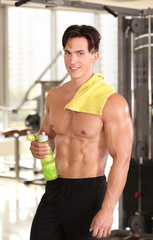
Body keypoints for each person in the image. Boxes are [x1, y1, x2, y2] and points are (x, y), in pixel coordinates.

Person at [29, 24, 133, 240]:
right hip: (55, 189)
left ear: (94, 56)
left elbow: (122, 159)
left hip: (89, 193)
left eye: (80, 53)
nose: (72, 61)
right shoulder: (54, 96)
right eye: (68, 52)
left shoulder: (112, 102)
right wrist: (39, 146)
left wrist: (108, 209)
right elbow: (47, 135)